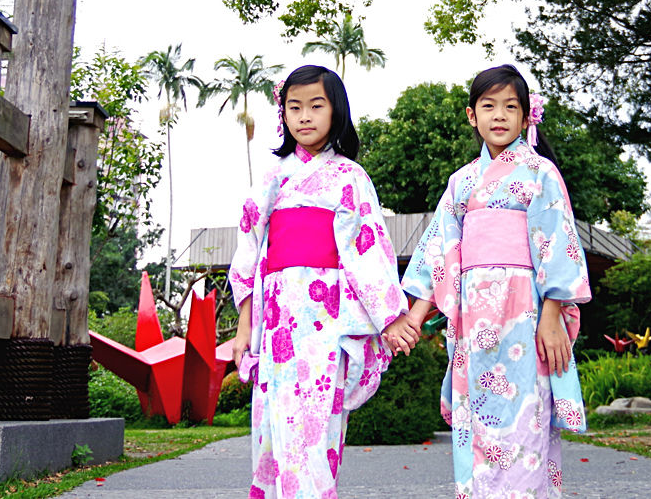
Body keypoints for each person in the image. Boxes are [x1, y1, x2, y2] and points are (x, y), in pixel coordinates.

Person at [395, 63, 592, 498]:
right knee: (477, 420)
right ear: (472, 115)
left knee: (528, 416)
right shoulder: (461, 182)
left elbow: (555, 242)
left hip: (525, 314)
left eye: (510, 106)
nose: (499, 115)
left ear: (526, 117)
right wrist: (415, 315)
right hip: (473, 318)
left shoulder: (541, 173)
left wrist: (553, 315)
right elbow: (440, 249)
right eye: (489, 106)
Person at [228, 64, 417, 499]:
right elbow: (248, 256)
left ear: (336, 112)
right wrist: (245, 326)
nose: (305, 116)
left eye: (317, 105)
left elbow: (366, 252)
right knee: (272, 433)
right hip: (275, 322)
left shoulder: (350, 177)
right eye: (295, 107)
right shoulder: (271, 180)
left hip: (324, 322)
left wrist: (389, 317)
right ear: (284, 115)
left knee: (314, 431)